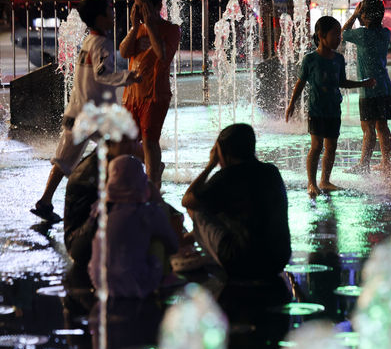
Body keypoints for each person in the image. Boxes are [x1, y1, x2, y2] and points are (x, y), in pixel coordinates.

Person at [31, 0, 140, 222]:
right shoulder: (101, 43)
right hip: (93, 117)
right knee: (121, 148)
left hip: (77, 113)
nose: (113, 13)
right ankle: (123, 197)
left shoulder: (89, 41)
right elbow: (102, 75)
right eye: (109, 10)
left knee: (63, 162)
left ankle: (45, 201)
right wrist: (129, 76)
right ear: (100, 18)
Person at [181, 124, 291, 280]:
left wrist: (210, 165)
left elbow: (187, 200)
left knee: (198, 211)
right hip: (279, 259)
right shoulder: (271, 171)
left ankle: (211, 257)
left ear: (223, 150)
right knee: (218, 209)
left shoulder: (226, 176)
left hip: (241, 262)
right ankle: (194, 240)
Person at [286, 16, 376, 196]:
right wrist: (292, 104)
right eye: (335, 35)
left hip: (334, 110)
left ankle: (325, 181)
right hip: (316, 110)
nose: (339, 38)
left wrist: (362, 83)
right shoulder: (310, 59)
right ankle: (311, 183)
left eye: (339, 35)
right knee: (316, 146)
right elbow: (300, 83)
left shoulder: (339, 59)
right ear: (321, 35)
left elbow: (341, 82)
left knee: (331, 147)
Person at [88, 155, 179, 298]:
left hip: (99, 282)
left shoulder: (99, 209)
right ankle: (164, 278)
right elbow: (173, 246)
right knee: (157, 238)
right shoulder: (148, 212)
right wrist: (157, 200)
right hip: (138, 285)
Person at [120, 0, 181, 188]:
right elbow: (124, 52)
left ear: (157, 6)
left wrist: (151, 27)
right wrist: (136, 26)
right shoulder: (136, 30)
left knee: (149, 141)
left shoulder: (171, 30)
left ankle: (153, 183)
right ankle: (154, 165)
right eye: (137, 7)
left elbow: (162, 54)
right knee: (124, 143)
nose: (139, 12)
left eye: (143, 7)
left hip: (155, 96)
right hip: (132, 95)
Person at [341, 0, 391, 173]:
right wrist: (360, 14)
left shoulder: (363, 35)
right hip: (385, 86)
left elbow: (343, 33)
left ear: (366, 17)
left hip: (369, 87)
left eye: (362, 13)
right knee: (382, 126)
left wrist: (354, 15)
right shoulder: (386, 33)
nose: (360, 16)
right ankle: (386, 162)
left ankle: (364, 164)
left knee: (368, 128)